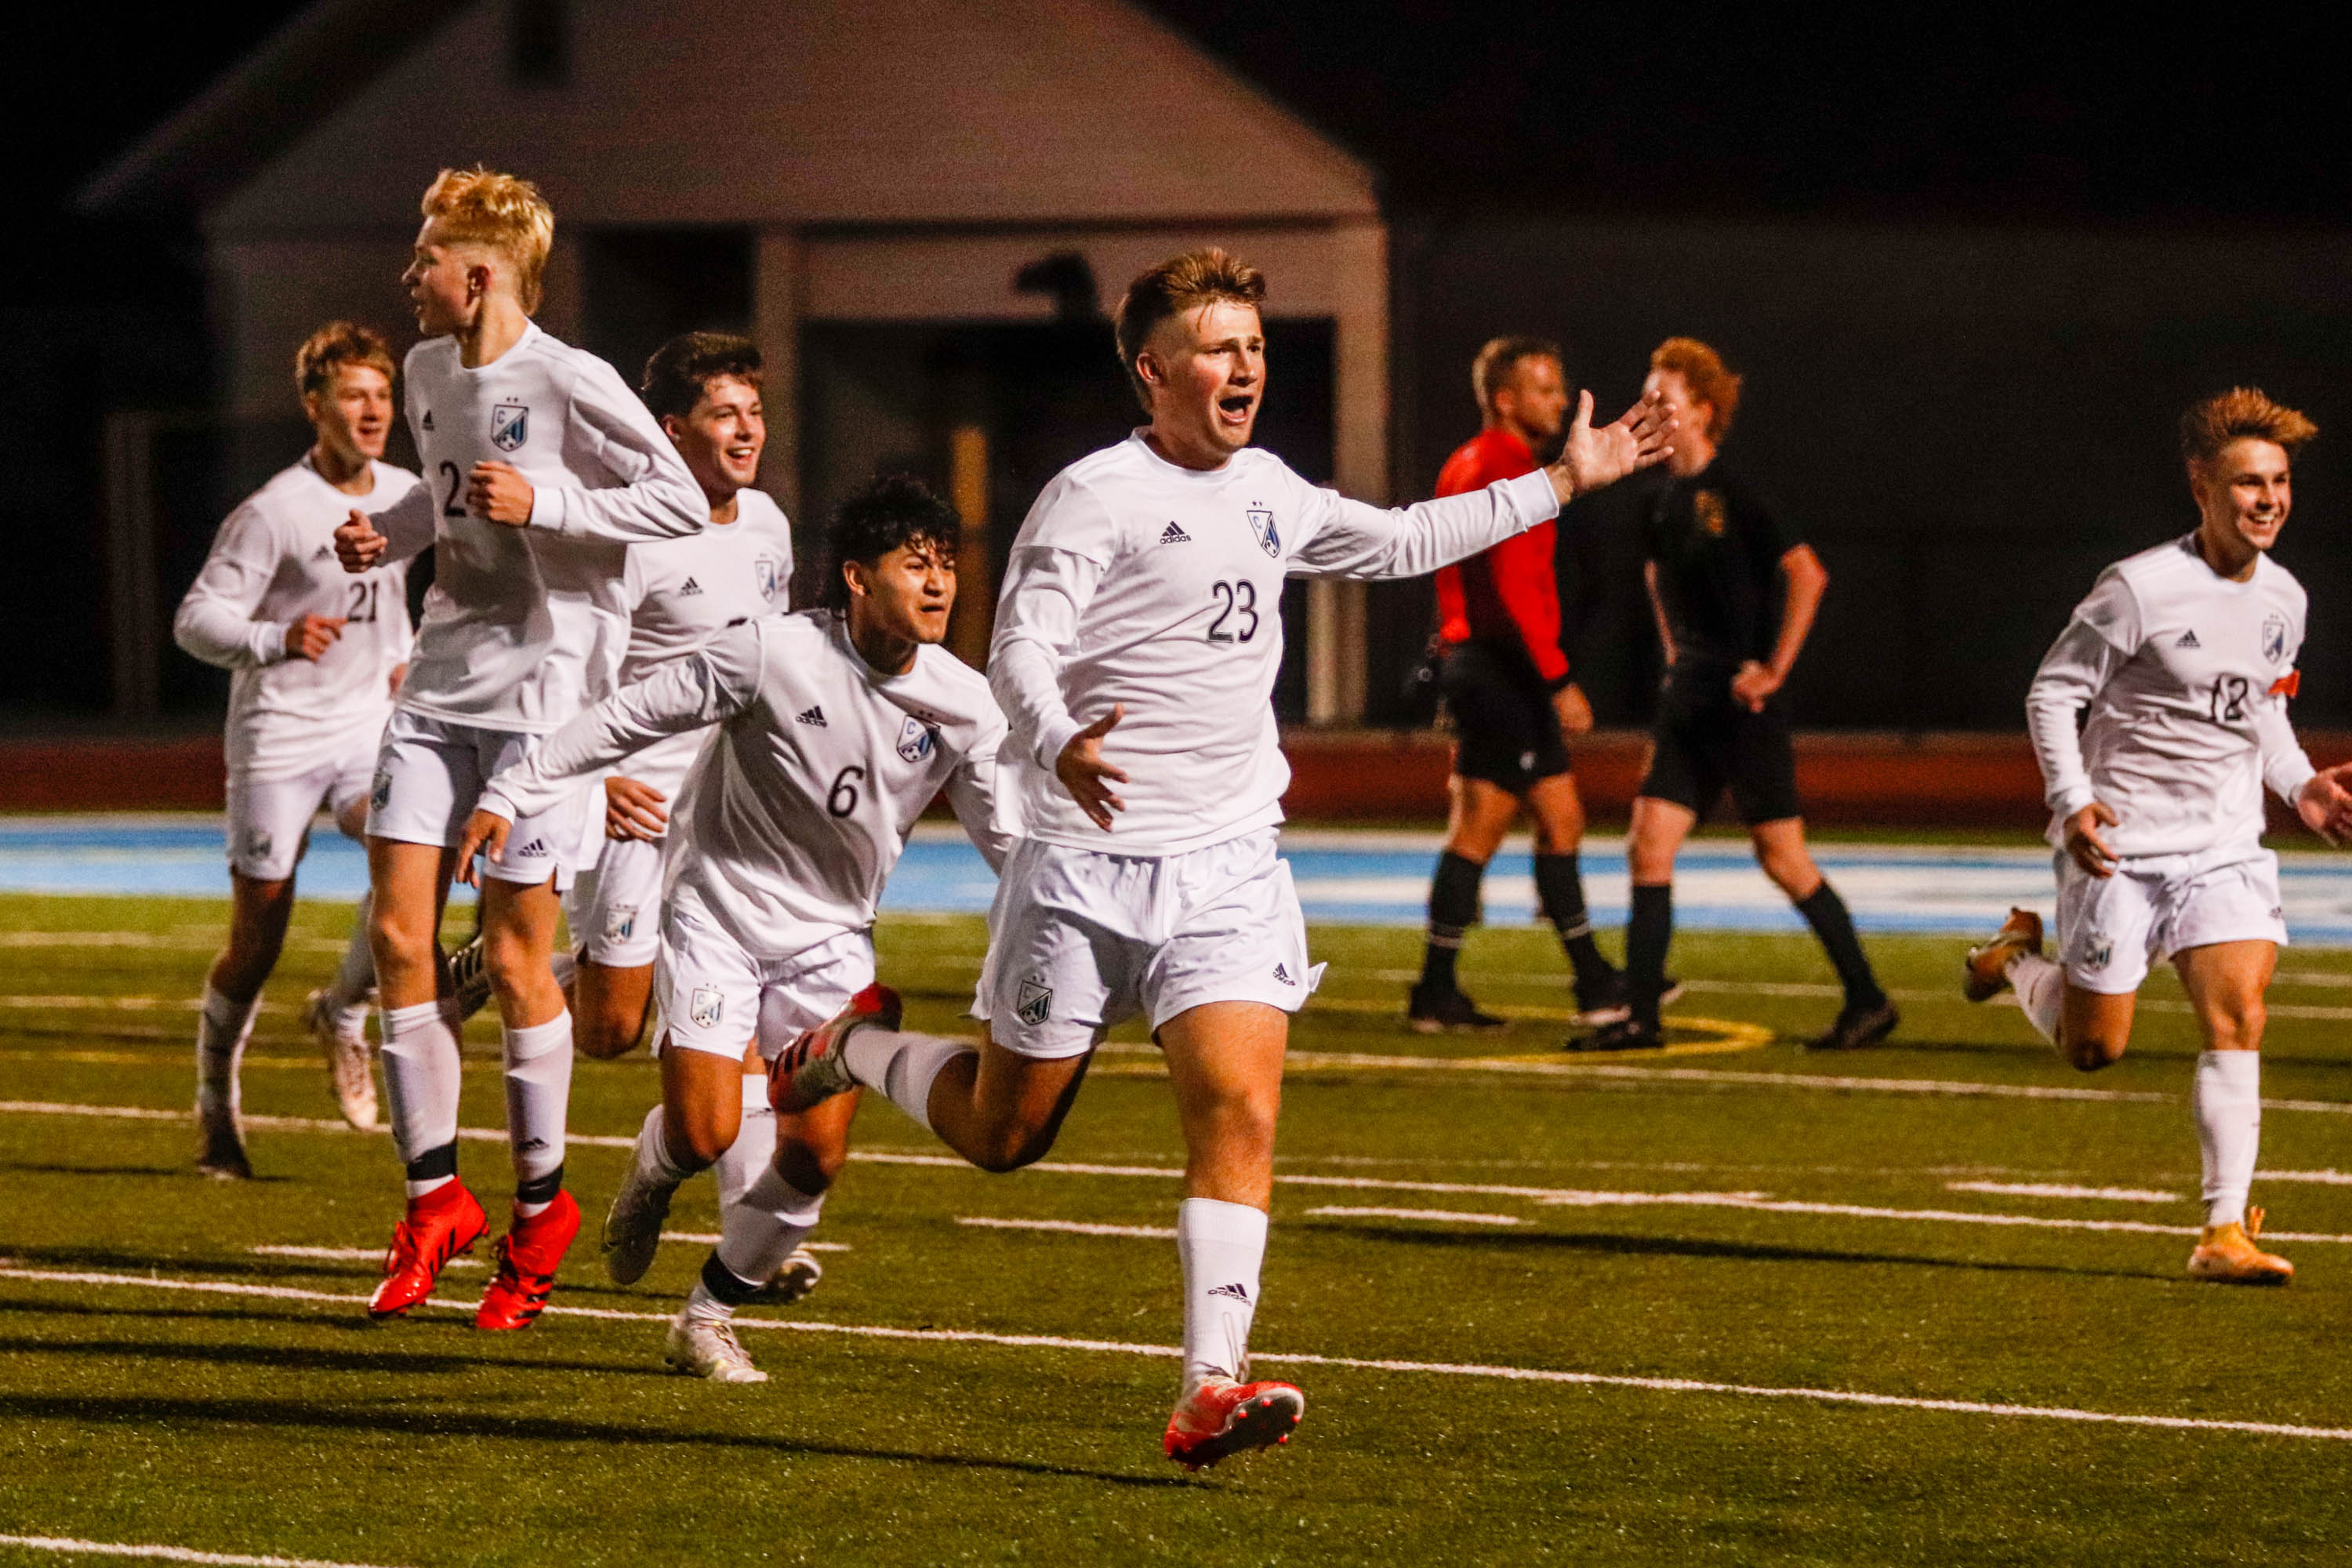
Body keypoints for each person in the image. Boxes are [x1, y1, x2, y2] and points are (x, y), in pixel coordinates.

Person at [766, 249, 1671, 1467]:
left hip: (1230, 858)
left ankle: (1208, 1386)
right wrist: (1056, 738)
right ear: (1152, 370)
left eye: (1252, 344)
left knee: (1241, 1108)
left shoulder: (1271, 488)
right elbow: (1021, 649)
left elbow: (1406, 541)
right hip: (1084, 862)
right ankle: (846, 1046)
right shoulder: (1093, 495)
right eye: (1217, 345)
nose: (1245, 365)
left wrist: (1567, 477)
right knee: (1005, 1134)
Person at [456, 474, 1011, 1381]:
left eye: (948, 565)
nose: (940, 583)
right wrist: (512, 789)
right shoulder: (771, 653)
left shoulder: (966, 704)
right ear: (858, 578)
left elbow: (1011, 844)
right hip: (717, 914)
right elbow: (624, 717)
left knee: (815, 1154)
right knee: (708, 1131)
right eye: (917, 564)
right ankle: (653, 1166)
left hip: (833, 940)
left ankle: (706, 1317)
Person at [332, 166, 706, 1330]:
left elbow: (681, 501)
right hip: (443, 684)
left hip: (549, 700)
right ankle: (435, 1197)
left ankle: (540, 1206)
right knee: (398, 934)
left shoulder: (569, 377)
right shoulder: (430, 371)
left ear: (479, 273)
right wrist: (381, 537)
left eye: (426, 258)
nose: (410, 276)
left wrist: (547, 504)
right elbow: (443, 508)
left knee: (509, 955)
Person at [1965, 387, 2352, 1285]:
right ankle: (2019, 957)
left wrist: (2301, 788)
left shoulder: (2285, 598)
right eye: (2249, 482)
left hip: (2223, 845)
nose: (2269, 499)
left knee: (2239, 1014)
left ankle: (2223, 1231)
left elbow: (2260, 710)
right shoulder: (2138, 587)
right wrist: (2074, 799)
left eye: (2281, 481)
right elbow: (2052, 693)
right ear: (2201, 486)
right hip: (2122, 845)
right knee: (2095, 1048)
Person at [1582, 337, 1893, 1053]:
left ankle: (1868, 999)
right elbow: (1658, 580)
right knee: (1648, 845)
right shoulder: (1660, 501)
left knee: (1783, 858)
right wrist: (1673, 659)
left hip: (1742, 705)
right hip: (1688, 700)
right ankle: (1642, 1018)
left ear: (1704, 410)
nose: (1650, 407)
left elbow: (1808, 575)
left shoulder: (1739, 494)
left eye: (1665, 397)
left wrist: (1774, 669)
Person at [172, 321, 418, 1175]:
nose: (373, 409)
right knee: (259, 933)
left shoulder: (407, 492)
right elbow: (195, 620)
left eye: (383, 394)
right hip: (279, 733)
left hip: (363, 728)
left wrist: (407, 656)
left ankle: (344, 1010)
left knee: (409, 858)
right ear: (314, 405)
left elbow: (398, 604)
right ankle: (217, 1112)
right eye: (354, 394)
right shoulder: (274, 510)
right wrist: (277, 638)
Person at [1410, 336, 1628, 1032]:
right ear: (1505, 399)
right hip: (1504, 668)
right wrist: (1557, 677)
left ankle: (1593, 979)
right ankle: (1441, 989)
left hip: (1483, 664)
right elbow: (1512, 587)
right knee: (1480, 828)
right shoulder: (1505, 466)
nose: (1561, 402)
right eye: (1545, 389)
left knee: (1558, 818)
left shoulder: (1463, 462)